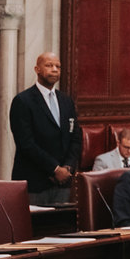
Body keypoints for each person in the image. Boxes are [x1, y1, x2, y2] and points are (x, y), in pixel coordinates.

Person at [9, 51, 77, 208]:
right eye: (49, 65)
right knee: (34, 230)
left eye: (58, 67)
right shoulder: (23, 101)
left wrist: (67, 168)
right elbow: (26, 143)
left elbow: (75, 137)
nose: (54, 69)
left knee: (61, 229)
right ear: (37, 69)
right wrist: (54, 169)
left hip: (63, 183)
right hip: (35, 182)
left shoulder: (66, 101)